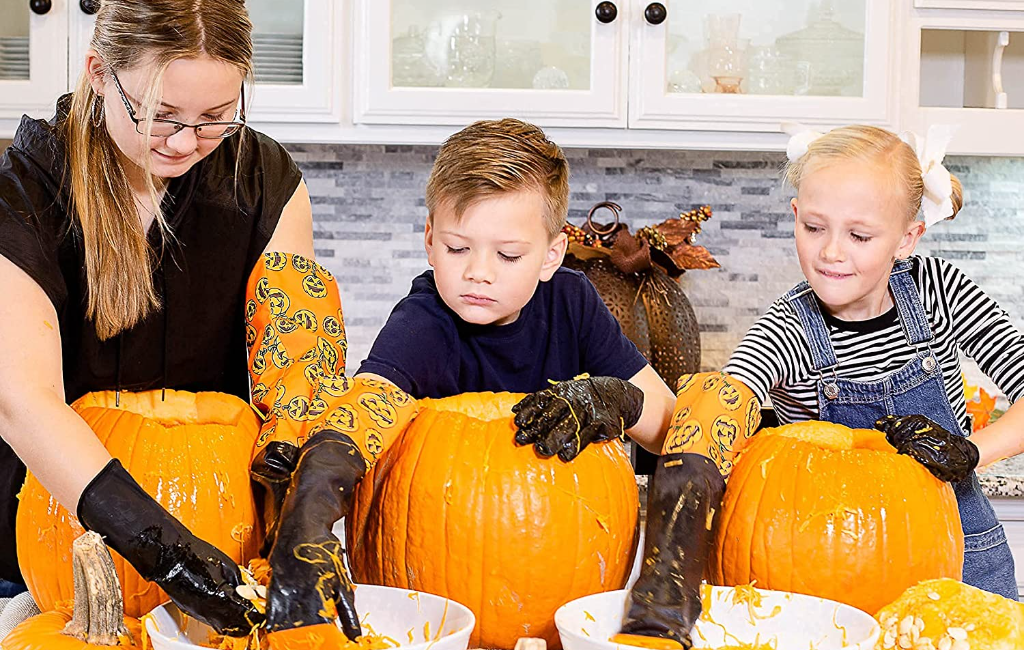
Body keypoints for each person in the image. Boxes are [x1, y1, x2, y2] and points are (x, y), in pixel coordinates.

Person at [0, 0, 406, 642]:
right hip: (51, 558)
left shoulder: (266, 181)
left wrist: (307, 513)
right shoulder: (26, 188)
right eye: (161, 115)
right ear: (99, 74)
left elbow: (293, 378)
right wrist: (166, 553)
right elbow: (20, 399)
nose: (187, 142)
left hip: (226, 547)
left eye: (215, 118)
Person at [615, 124, 1024, 649]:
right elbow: (725, 403)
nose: (831, 252)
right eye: (814, 227)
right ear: (794, 217)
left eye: (859, 235)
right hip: (828, 582)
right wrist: (669, 569)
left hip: (962, 562)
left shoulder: (937, 291)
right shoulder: (789, 328)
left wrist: (968, 452)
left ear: (907, 238)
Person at [355, 118, 677, 461]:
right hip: (442, 503)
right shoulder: (423, 320)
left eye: (508, 255)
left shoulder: (571, 303)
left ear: (551, 256)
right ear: (431, 240)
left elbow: (670, 429)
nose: (478, 273)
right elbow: (365, 408)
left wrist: (617, 399)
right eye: (457, 248)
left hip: (562, 507)